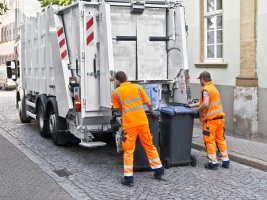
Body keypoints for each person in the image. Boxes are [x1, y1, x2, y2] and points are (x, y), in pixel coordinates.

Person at [112, 71, 164, 187]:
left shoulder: (116, 92)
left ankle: (128, 178)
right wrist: (152, 112)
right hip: (142, 122)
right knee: (149, 145)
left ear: (117, 81)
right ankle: (159, 170)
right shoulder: (138, 87)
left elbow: (117, 109)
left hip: (129, 125)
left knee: (129, 150)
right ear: (127, 78)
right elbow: (149, 103)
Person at [189, 71, 230, 170]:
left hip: (211, 121)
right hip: (219, 119)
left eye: (200, 79)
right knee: (220, 139)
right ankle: (225, 161)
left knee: (209, 141)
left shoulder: (206, 89)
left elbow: (206, 104)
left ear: (202, 79)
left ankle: (213, 163)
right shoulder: (213, 88)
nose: (200, 81)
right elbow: (204, 102)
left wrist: (197, 110)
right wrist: (191, 105)